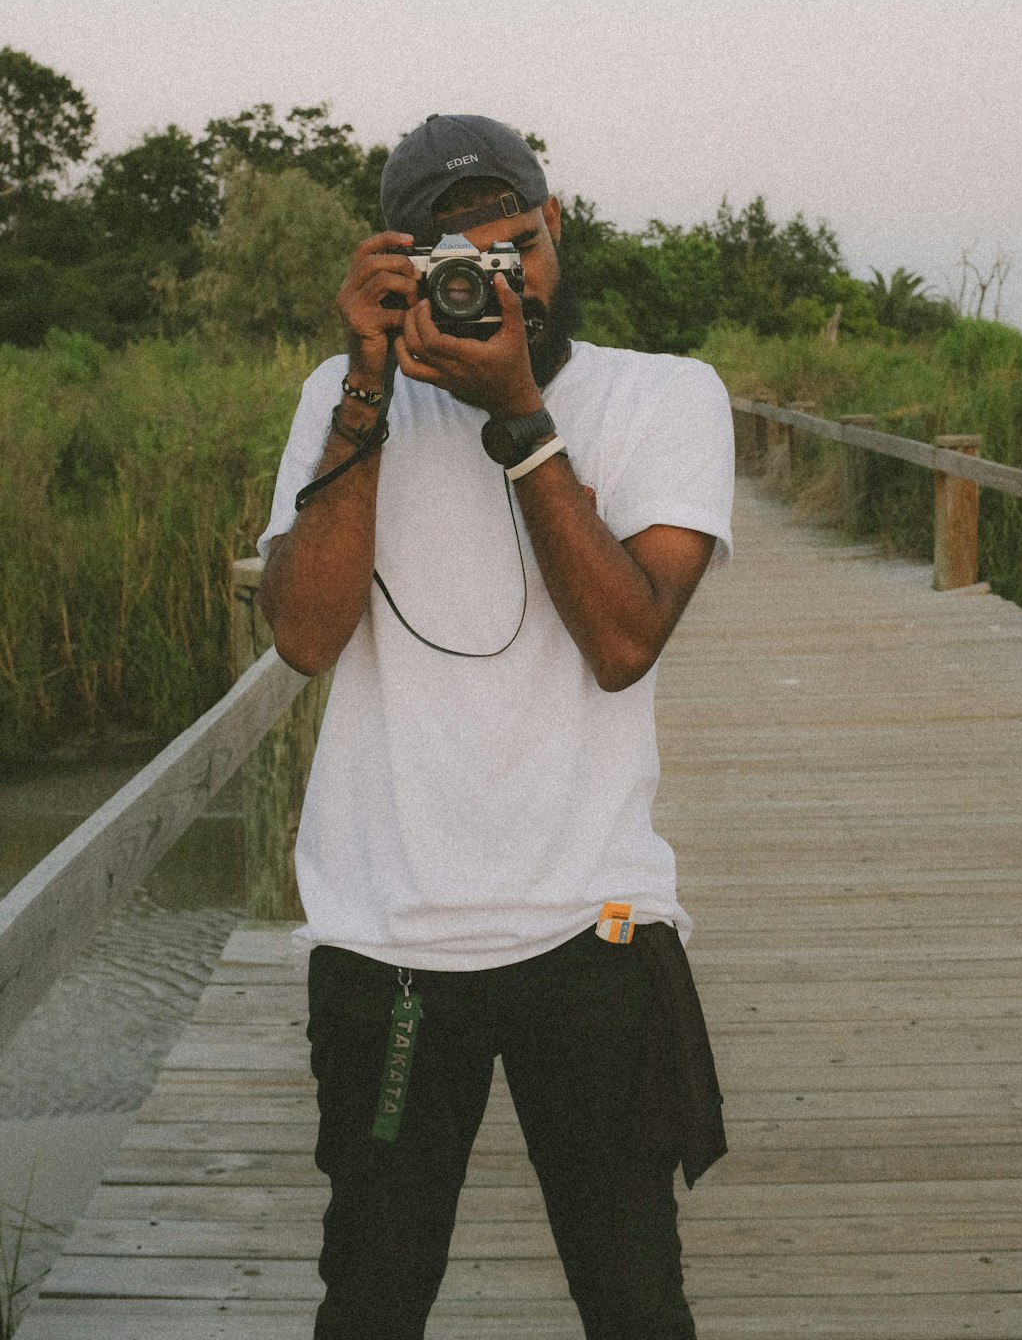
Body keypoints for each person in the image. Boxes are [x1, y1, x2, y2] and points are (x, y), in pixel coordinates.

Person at [257, 113, 735, 1340]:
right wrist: (368, 377)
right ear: (401, 264)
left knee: (635, 1300)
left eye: (513, 248)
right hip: (388, 937)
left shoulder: (662, 395)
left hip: (595, 927)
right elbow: (306, 636)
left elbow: (624, 643)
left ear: (553, 227)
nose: (493, 283)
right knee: (370, 1298)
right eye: (454, 262)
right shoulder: (340, 396)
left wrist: (519, 412)